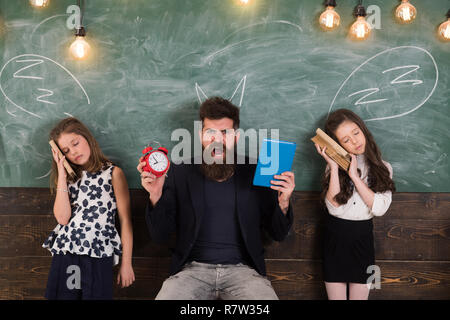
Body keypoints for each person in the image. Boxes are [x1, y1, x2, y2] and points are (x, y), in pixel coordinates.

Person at [137, 97, 295, 300]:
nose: (217, 140)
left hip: (244, 273)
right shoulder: (180, 172)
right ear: (201, 135)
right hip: (191, 273)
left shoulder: (259, 171)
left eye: (225, 133)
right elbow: (160, 236)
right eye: (210, 132)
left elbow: (278, 234)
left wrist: (283, 202)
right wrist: (155, 195)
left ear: (236, 137)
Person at [43, 117, 135, 299]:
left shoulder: (113, 173)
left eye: (75, 143)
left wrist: (126, 263)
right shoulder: (67, 179)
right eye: (66, 151)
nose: (73, 152)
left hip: (98, 255)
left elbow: (125, 221)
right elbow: (62, 219)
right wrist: (61, 174)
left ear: (87, 138)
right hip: (67, 255)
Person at [314, 109, 395, 300]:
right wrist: (334, 166)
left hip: (363, 240)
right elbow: (334, 207)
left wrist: (355, 177)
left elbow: (380, 208)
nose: (355, 141)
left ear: (363, 129)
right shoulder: (332, 168)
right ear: (338, 144)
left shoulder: (384, 168)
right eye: (346, 140)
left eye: (356, 133)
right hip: (335, 239)